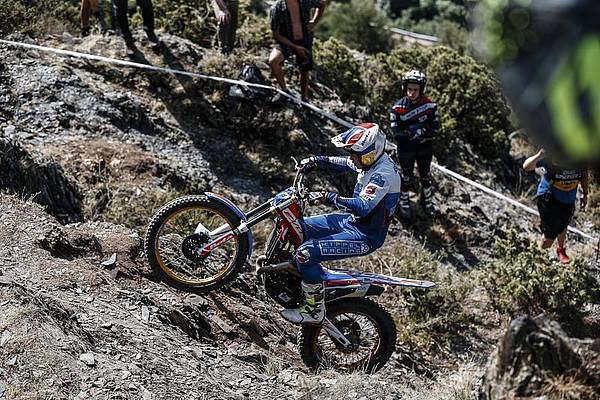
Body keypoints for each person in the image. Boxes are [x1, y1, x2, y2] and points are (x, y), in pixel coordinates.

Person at [281, 123, 401, 324]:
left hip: (365, 236)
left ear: (370, 154)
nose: (351, 158)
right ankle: (305, 279)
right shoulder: (369, 160)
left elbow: (362, 207)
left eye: (355, 154)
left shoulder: (383, 174)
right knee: (298, 227)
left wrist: (329, 197)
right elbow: (344, 163)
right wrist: (316, 161)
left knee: (305, 253)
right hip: (351, 222)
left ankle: (314, 308)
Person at [390, 70, 440, 219]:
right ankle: (404, 201)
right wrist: (421, 131)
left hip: (425, 149)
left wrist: (411, 133)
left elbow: (434, 130)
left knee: (425, 176)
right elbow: (397, 134)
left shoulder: (431, 107)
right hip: (406, 150)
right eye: (409, 89)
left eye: (415, 90)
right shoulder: (397, 109)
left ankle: (427, 200)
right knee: (406, 177)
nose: (411, 93)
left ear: (422, 89)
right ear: (404, 88)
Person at [522, 148, 589, 263]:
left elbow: (584, 175)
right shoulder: (552, 158)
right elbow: (526, 167)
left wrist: (585, 193)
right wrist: (539, 155)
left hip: (568, 199)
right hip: (549, 198)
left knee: (563, 223)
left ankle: (560, 249)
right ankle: (537, 260)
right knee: (549, 237)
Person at [268, 0, 326, 103]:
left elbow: (322, 2)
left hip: (304, 40)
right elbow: (276, 35)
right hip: (286, 41)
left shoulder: (305, 1)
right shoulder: (276, 8)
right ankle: (284, 91)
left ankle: (304, 98)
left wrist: (314, 22)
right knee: (273, 61)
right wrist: (295, 47)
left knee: (304, 69)